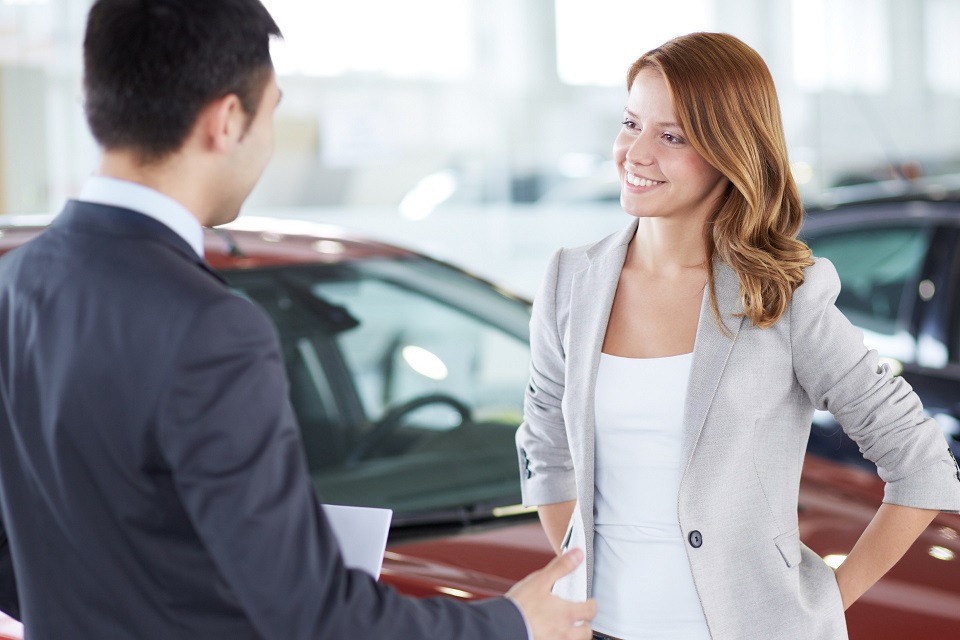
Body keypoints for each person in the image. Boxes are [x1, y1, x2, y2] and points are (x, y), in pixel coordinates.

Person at [0, 1, 599, 638]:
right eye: (273, 110)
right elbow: (310, 614)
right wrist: (512, 622)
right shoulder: (208, 328)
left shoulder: (15, 284)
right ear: (227, 120)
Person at [515, 31, 960, 640]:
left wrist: (822, 602)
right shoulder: (571, 279)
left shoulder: (782, 295)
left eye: (671, 136)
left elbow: (923, 464)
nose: (634, 153)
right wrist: (585, 572)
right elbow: (546, 449)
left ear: (730, 153)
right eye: (630, 123)